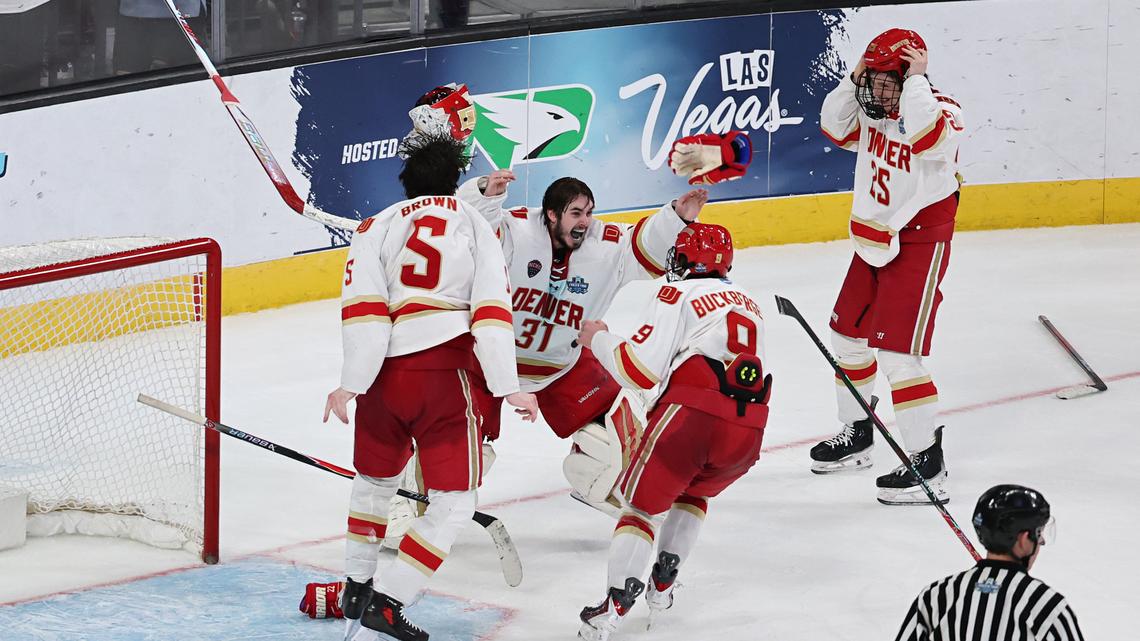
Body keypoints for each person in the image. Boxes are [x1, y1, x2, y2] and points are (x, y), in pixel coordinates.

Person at [321, 130, 538, 641]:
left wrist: (351, 384)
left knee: (373, 482)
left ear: (406, 180)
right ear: (454, 179)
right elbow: (490, 310)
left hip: (383, 379)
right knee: (454, 500)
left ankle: (356, 583)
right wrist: (508, 386)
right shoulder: (472, 224)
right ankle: (388, 600)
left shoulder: (375, 226)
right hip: (444, 374)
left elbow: (364, 310)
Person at [457, 168, 708, 514]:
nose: (586, 221)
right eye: (576, 213)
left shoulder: (605, 245)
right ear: (551, 214)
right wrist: (485, 194)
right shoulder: (517, 231)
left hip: (562, 363)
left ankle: (598, 488)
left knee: (616, 436)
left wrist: (676, 218)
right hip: (489, 364)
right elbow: (473, 229)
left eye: (589, 212)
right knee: (461, 446)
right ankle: (416, 505)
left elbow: (642, 245)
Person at [575, 223, 772, 641]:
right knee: (693, 492)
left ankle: (612, 607)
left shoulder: (676, 293)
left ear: (682, 260)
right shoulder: (750, 301)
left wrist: (600, 340)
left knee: (640, 510)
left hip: (692, 417)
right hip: (749, 429)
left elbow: (640, 372)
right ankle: (663, 582)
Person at [814, 28, 964, 505]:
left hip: (917, 241)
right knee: (847, 337)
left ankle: (928, 462)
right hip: (873, 240)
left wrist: (915, 80)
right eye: (870, 80)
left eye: (886, 81)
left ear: (909, 76)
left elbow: (928, 140)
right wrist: (855, 75)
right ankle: (858, 432)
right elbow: (833, 126)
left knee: (899, 357)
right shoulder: (873, 110)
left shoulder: (943, 110)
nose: (875, 91)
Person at [895, 484, 1085, 641]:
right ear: (1023, 540)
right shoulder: (1045, 605)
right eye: (1039, 535)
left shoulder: (936, 596)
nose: (1040, 543)